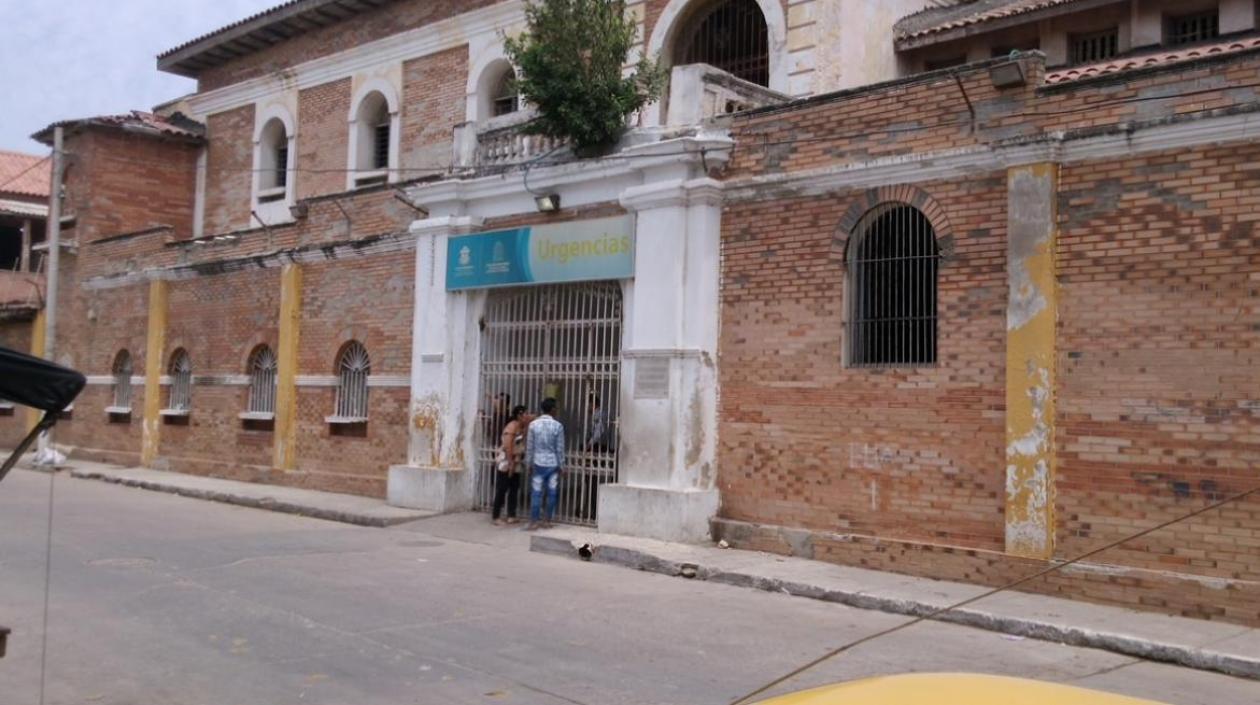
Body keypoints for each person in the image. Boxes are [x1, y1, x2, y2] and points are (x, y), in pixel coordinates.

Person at [524, 397, 564, 530]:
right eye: (556, 408)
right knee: (552, 492)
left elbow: (529, 447)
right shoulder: (558, 426)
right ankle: (547, 520)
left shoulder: (533, 425)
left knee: (536, 492)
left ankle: (534, 522)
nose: (556, 411)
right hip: (552, 464)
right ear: (552, 410)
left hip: (537, 462)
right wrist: (562, 466)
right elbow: (559, 448)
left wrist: (528, 463)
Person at [492, 405, 531, 526]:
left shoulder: (521, 427)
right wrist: (510, 463)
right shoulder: (511, 426)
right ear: (519, 415)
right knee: (502, 489)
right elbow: (508, 446)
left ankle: (511, 515)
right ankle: (496, 515)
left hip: (516, 460)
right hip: (506, 461)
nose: (526, 416)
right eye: (525, 414)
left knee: (514, 488)